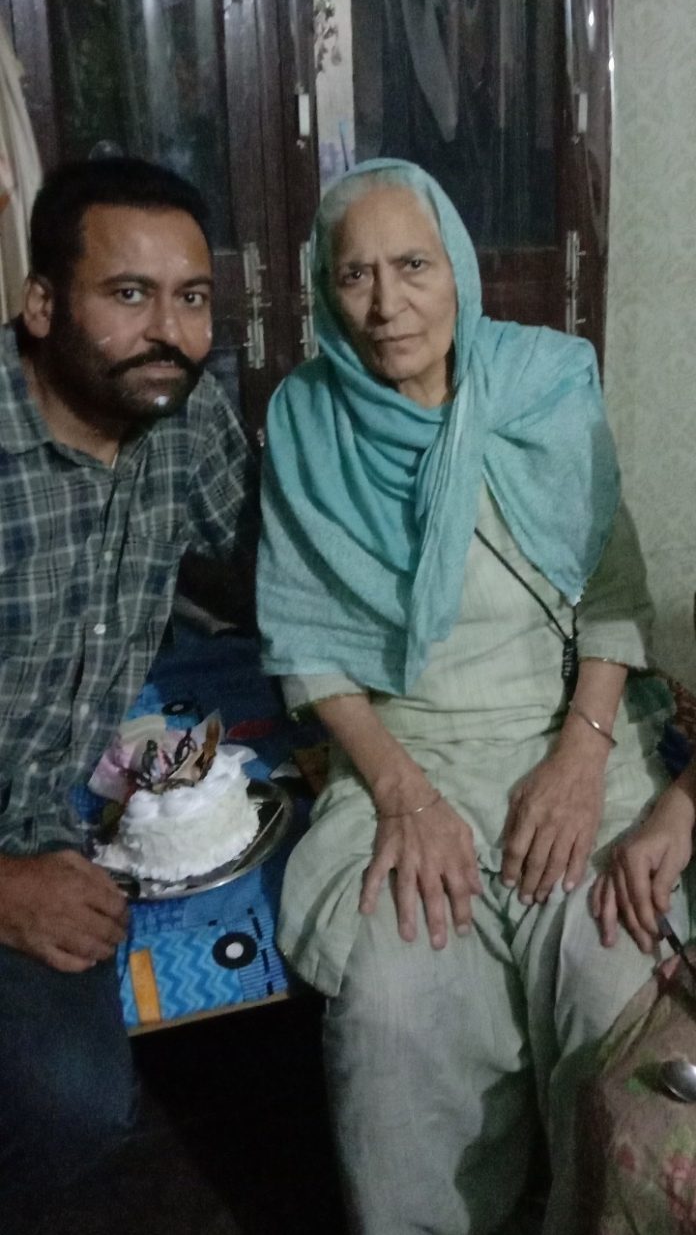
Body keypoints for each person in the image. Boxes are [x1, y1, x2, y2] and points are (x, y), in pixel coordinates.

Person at [257, 158, 690, 1235]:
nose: (386, 303)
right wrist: (404, 794)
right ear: (324, 290)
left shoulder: (546, 383)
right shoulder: (307, 420)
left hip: (570, 730)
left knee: (608, 969)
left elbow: (613, 596)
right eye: (354, 274)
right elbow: (308, 645)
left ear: (459, 267)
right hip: (404, 754)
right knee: (394, 1004)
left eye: (413, 265)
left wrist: (582, 755)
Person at [0, 157, 258, 1221]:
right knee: (60, 1105)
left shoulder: (182, 420)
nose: (169, 332)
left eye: (191, 297)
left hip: (45, 813)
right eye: (129, 293)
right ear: (41, 303)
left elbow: (270, 568)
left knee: (82, 1099)